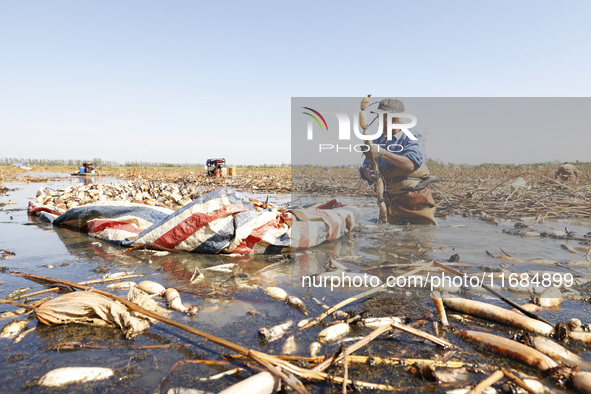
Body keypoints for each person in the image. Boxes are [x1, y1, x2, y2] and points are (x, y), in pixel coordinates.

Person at [359, 98, 437, 225]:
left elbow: (410, 164)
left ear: (394, 118)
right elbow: (365, 168)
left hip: (414, 200)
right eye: (379, 117)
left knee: (421, 237)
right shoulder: (378, 140)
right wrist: (369, 173)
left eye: (382, 117)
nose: (379, 122)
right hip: (390, 202)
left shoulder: (412, 137)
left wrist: (382, 153)